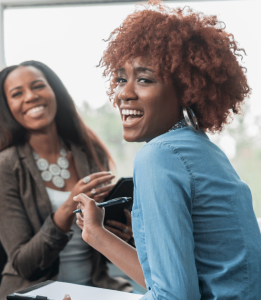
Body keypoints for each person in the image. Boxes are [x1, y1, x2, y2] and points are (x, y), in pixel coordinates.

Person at [73, 1, 261, 299]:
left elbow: (174, 297)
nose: (123, 92)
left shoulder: (159, 156)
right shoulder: (203, 150)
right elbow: (170, 285)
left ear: (186, 90)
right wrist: (96, 233)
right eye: (122, 78)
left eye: (144, 79)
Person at [0, 60, 134, 300]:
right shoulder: (2, 167)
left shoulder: (89, 151)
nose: (31, 96)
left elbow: (102, 249)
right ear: (7, 108)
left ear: (54, 92)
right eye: (17, 93)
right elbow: (25, 264)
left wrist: (125, 237)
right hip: (34, 293)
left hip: (94, 290)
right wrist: (66, 210)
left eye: (38, 86)